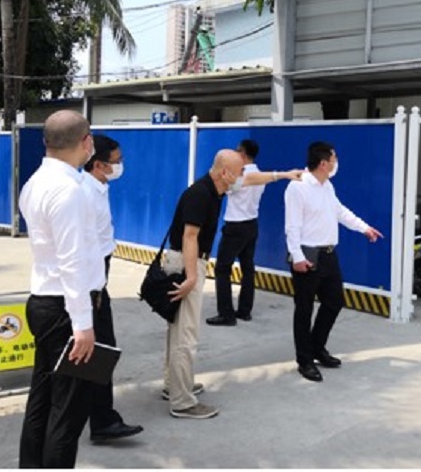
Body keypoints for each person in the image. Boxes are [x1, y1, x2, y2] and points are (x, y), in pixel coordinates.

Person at [162, 149, 303, 418]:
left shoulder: (217, 187)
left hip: (188, 261)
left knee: (178, 330)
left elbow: (252, 180)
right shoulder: (200, 194)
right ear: (225, 173)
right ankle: (182, 401)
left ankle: (174, 385)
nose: (242, 177)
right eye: (238, 172)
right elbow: (189, 237)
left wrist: (284, 175)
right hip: (185, 263)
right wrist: (191, 276)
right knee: (185, 334)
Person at [17, 110, 105, 468]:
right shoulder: (69, 191)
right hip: (65, 310)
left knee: (42, 401)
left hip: (45, 302)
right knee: (68, 412)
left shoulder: (35, 182)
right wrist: (82, 324)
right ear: (86, 142)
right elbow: (72, 262)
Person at [284, 141, 383, 382]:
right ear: (323, 163)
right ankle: (304, 360)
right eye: (334, 158)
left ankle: (317, 347)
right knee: (304, 309)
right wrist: (297, 257)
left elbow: (340, 212)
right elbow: (292, 226)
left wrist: (364, 228)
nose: (336, 162)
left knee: (334, 302)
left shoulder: (327, 186)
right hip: (307, 256)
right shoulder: (297, 187)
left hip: (329, 255)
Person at [80, 134, 143, 443]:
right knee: (101, 347)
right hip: (90, 278)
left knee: (102, 348)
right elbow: (83, 247)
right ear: (99, 164)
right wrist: (93, 292)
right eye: (116, 162)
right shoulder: (85, 193)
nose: (121, 166)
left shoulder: (98, 188)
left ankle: (100, 417)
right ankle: (101, 420)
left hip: (99, 275)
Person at [207, 139, 265, 326]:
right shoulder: (259, 175)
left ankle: (226, 314)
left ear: (242, 153)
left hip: (235, 225)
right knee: (248, 268)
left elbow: (225, 189)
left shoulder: (240, 175)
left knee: (222, 268)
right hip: (252, 224)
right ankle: (245, 310)